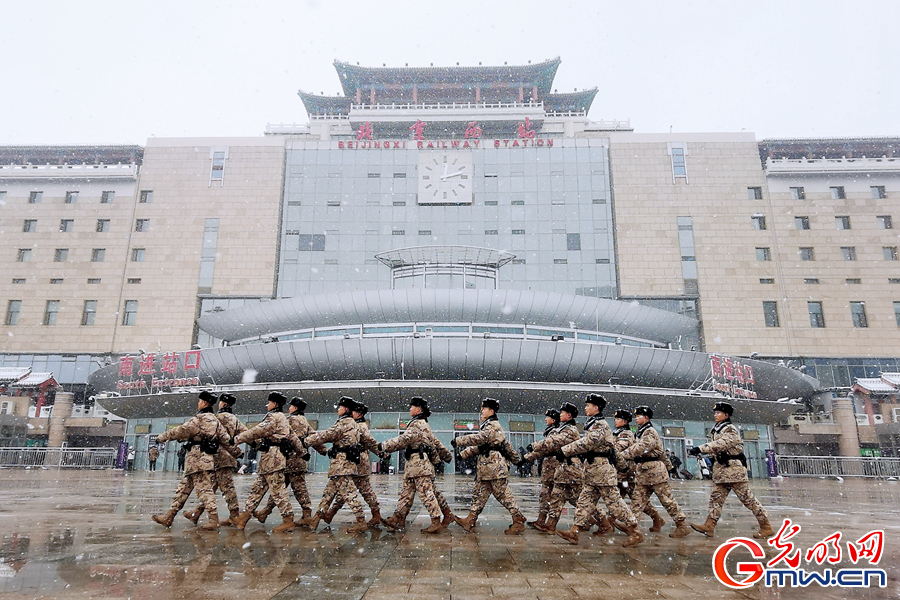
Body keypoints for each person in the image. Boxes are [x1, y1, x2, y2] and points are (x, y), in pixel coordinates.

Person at [555, 394, 643, 547]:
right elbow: (611, 449)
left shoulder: (600, 424)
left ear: (596, 408)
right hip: (592, 471)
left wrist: (566, 450)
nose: (585, 408)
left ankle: (636, 531)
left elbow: (588, 442)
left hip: (602, 471)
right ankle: (575, 532)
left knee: (615, 504)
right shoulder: (593, 423)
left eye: (588, 405)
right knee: (583, 502)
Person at [151, 390, 238, 530]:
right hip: (204, 460)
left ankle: (213, 519)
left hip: (197, 460)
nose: (198, 404)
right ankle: (169, 516)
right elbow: (226, 440)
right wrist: (237, 453)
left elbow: (180, 431)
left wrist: (161, 437)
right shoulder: (215, 421)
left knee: (204, 490)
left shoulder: (199, 419)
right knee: (183, 490)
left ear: (204, 402)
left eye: (199, 401)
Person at [689, 402, 775, 539]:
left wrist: (700, 448)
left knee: (748, 499)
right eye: (715, 413)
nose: (715, 415)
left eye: (718, 413)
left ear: (726, 415)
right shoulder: (717, 428)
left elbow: (721, 444)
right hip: (722, 471)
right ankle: (709, 526)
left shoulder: (729, 429)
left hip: (733, 471)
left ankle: (766, 526)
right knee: (715, 499)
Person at [452, 398, 527, 535]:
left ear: (491, 411)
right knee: (479, 495)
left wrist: (459, 440)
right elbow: (487, 447)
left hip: (494, 469)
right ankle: (470, 520)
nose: (482, 411)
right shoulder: (489, 426)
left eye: (484, 409)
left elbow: (479, 439)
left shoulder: (493, 426)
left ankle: (518, 520)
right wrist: (463, 454)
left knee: (503, 495)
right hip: (486, 470)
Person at [232, 392, 303, 533]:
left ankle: (288, 520)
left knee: (277, 491)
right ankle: (243, 518)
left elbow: (257, 431)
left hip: (273, 458)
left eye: (269, 402)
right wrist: (302, 452)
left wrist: (237, 439)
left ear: (275, 404)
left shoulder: (275, 417)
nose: (267, 405)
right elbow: (294, 437)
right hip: (269, 459)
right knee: (257, 489)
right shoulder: (282, 418)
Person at [379, 397, 449, 533]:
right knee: (406, 495)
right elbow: (435, 443)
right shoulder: (423, 424)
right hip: (415, 466)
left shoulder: (417, 424)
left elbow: (404, 439)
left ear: (418, 409)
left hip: (419, 466)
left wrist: (383, 445)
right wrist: (445, 456)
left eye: (412, 406)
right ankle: (395, 519)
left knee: (426, 494)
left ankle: (436, 521)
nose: (410, 409)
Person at [619, 406, 691, 538]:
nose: (636, 418)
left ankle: (681, 525)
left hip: (654, 472)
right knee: (637, 500)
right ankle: (631, 525)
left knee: (666, 500)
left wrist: (620, 455)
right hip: (643, 472)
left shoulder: (649, 432)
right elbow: (661, 452)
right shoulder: (641, 432)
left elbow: (641, 448)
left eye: (639, 416)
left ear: (646, 418)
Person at [302, 396, 369, 533]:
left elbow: (327, 435)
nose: (337, 410)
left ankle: (361, 521)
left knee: (349, 494)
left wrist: (307, 440)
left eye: (339, 407)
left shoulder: (345, 423)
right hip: (342, 464)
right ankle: (316, 518)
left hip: (342, 465)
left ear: (345, 409)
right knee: (328, 493)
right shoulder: (353, 423)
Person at [182, 392, 249, 527]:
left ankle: (234, 516)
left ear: (223, 403)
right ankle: (196, 513)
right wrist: (237, 447)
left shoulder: (215, 418)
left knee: (225, 488)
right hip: (229, 457)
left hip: (217, 457)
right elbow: (246, 433)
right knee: (212, 487)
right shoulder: (235, 420)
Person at [320, 401, 384, 527]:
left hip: (358, 462)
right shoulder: (355, 424)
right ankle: (331, 514)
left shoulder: (359, 426)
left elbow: (370, 441)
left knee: (359, 490)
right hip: (355, 460)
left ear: (359, 414)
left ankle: (374, 515)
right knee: (346, 490)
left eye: (353, 411)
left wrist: (380, 451)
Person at [523, 402, 583, 534]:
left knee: (580, 499)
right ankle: (548, 524)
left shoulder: (568, 430)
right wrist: (528, 457)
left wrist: (534, 447)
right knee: (555, 497)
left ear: (569, 415)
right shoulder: (561, 429)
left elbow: (551, 444)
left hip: (569, 470)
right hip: (562, 470)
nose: (545, 419)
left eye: (562, 412)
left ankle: (599, 520)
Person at [254, 396, 314, 526]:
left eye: (291, 406)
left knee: (279, 488)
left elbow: (279, 432)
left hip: (287, 459)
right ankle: (306, 513)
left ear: (296, 408)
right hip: (299, 460)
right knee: (297, 488)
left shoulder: (287, 420)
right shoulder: (305, 422)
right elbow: (314, 436)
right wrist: (320, 449)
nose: (289, 408)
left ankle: (267, 511)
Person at [612, 409, 666, 533]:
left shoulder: (626, 434)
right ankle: (655, 518)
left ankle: (611, 523)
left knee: (632, 499)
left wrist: (609, 453)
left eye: (618, 419)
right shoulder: (619, 432)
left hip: (626, 472)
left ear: (625, 421)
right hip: (622, 471)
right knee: (622, 498)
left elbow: (619, 448)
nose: (615, 421)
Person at [528, 408, 561, 529]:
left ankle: (593, 519)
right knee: (545, 493)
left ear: (553, 419)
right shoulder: (550, 431)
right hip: (549, 465)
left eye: (547, 417)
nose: (546, 419)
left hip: (554, 466)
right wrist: (528, 457)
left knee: (557, 494)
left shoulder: (555, 432)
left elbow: (546, 447)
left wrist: (532, 450)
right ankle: (541, 520)